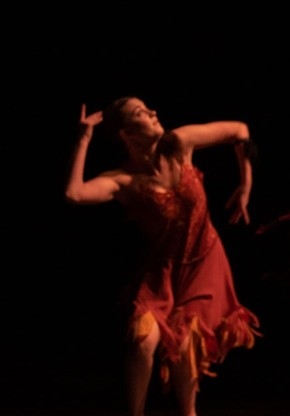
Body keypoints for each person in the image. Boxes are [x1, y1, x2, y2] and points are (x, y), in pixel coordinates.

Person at [64, 98, 261, 416]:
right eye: (141, 113)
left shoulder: (180, 143)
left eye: (150, 108)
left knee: (185, 351)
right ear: (127, 134)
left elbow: (240, 130)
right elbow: (74, 193)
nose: (154, 113)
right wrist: (84, 139)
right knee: (142, 340)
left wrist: (246, 184)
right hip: (162, 272)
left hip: (204, 263)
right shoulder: (123, 181)